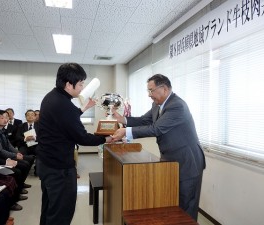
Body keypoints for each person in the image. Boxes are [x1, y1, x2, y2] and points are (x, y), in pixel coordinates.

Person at [111, 74, 206, 221]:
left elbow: (156, 129)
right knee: (172, 202)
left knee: (187, 205)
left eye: (151, 91)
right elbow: (144, 120)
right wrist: (122, 119)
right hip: (170, 160)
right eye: (148, 91)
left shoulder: (177, 106)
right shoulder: (157, 105)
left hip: (188, 162)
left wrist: (126, 132)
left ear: (165, 89)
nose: (149, 95)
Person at [36, 62, 113, 225]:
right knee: (61, 214)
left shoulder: (52, 97)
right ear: (68, 84)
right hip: (59, 169)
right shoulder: (64, 105)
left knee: (50, 208)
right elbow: (82, 137)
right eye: (80, 83)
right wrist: (106, 139)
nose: (82, 87)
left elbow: (63, 122)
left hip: (46, 163)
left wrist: (82, 110)